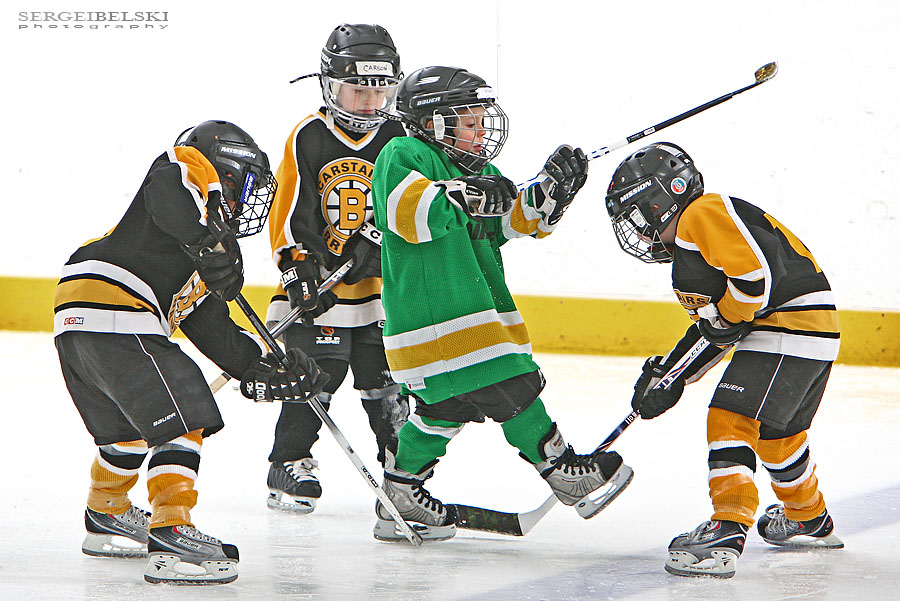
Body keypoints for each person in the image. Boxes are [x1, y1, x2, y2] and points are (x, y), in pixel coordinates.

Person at [53, 120, 328, 585]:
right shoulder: (186, 170)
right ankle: (171, 526)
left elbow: (213, 328)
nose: (244, 202)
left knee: (128, 432)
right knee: (184, 414)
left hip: (80, 323)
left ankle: (106, 510)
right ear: (224, 169)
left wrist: (262, 369)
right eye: (243, 186)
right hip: (118, 306)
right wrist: (207, 241)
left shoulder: (198, 253)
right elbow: (168, 185)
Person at [370, 65, 634, 542]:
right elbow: (409, 215)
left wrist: (552, 190)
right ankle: (561, 470)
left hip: (464, 327)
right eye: (469, 123)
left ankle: (400, 492)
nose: (480, 133)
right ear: (433, 123)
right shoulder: (403, 153)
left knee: (442, 410)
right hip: (439, 325)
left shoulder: (478, 172)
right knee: (514, 388)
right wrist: (467, 194)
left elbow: (511, 219)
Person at [605, 142, 843, 578]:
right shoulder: (696, 246)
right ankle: (808, 515)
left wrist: (725, 319)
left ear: (662, 199)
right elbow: (719, 330)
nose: (638, 232)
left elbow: (753, 284)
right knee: (778, 437)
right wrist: (670, 375)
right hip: (811, 334)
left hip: (786, 328)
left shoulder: (700, 214)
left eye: (638, 215)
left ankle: (727, 530)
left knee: (729, 419)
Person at [264, 23, 411, 514]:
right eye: (357, 90)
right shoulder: (309, 136)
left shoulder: (399, 137)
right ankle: (289, 462)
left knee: (386, 381)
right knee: (316, 375)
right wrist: (298, 267)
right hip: (321, 286)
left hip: (380, 290)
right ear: (330, 85)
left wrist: (383, 240)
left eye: (380, 90)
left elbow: (412, 205)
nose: (369, 103)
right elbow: (288, 210)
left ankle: (403, 474)